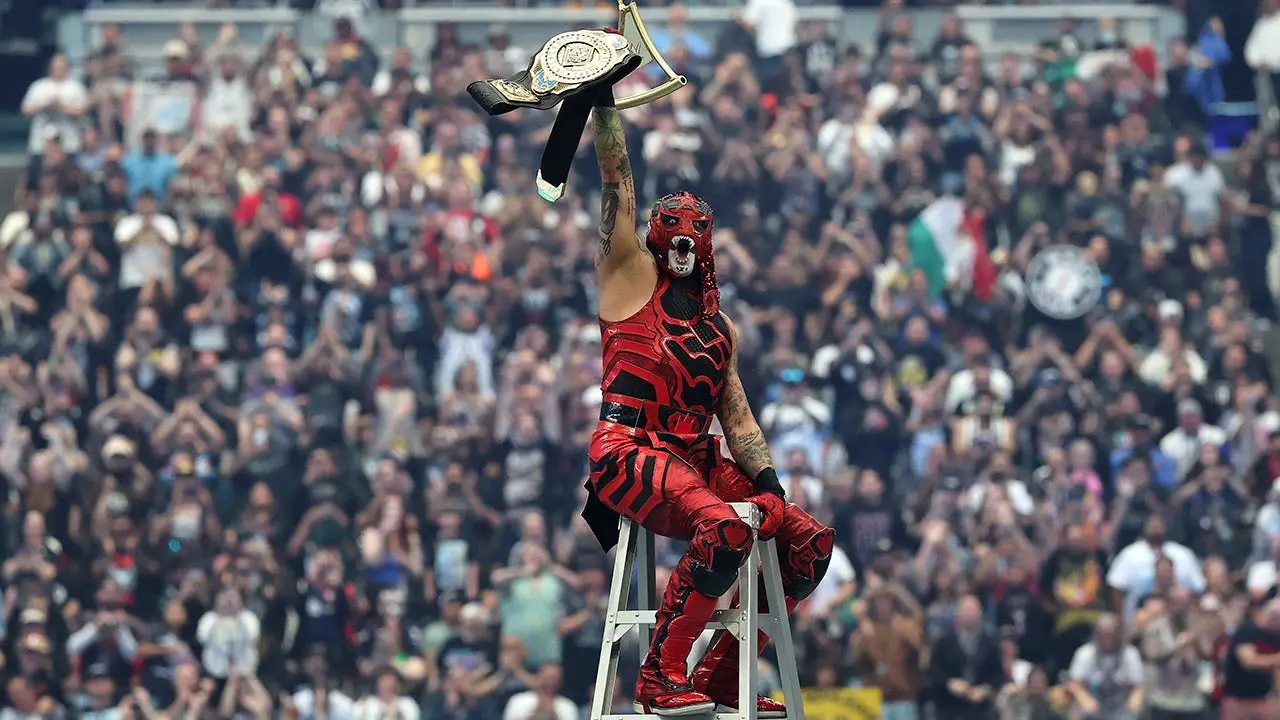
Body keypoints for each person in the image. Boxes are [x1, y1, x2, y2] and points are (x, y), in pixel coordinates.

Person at [580, 79, 834, 716]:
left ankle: (721, 677)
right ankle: (659, 675)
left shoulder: (721, 328)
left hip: (695, 456)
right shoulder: (628, 281)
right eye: (672, 228)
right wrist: (603, 101)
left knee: (809, 544)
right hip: (628, 448)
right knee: (723, 527)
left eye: (694, 231)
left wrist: (770, 484)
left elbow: (737, 417)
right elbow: (617, 184)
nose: (683, 240)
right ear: (657, 235)